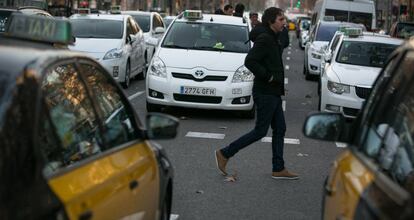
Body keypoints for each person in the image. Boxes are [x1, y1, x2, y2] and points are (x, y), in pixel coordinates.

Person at [215, 7, 299, 180]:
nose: (284, 22)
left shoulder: (274, 37)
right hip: (265, 92)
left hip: (273, 92)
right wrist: (268, 76)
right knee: (260, 131)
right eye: (281, 20)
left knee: (280, 129)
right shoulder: (265, 39)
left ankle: (278, 168)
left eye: (284, 19)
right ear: (271, 22)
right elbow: (250, 60)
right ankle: (225, 153)